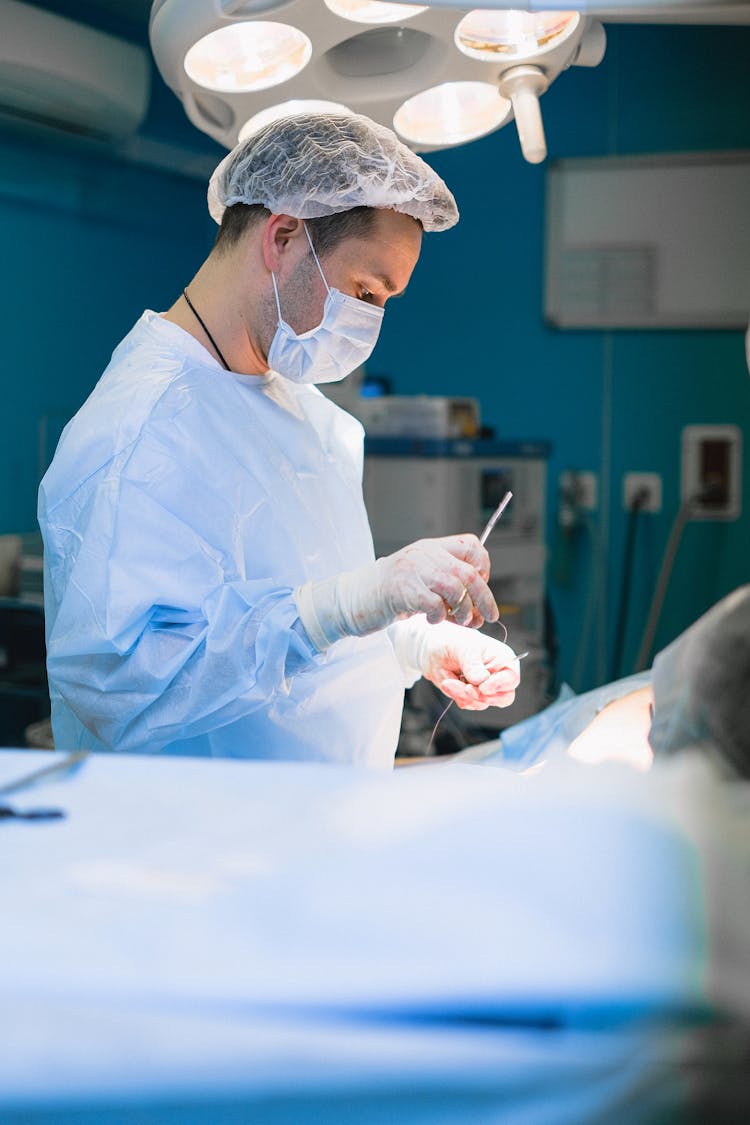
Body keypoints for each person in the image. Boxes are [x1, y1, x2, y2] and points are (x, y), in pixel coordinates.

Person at [39, 112, 520, 765]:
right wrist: (354, 602)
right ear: (284, 236)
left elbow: (308, 611)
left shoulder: (301, 411)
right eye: (365, 290)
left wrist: (411, 641)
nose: (370, 321)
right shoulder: (140, 431)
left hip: (316, 825)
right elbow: (125, 689)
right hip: (198, 847)